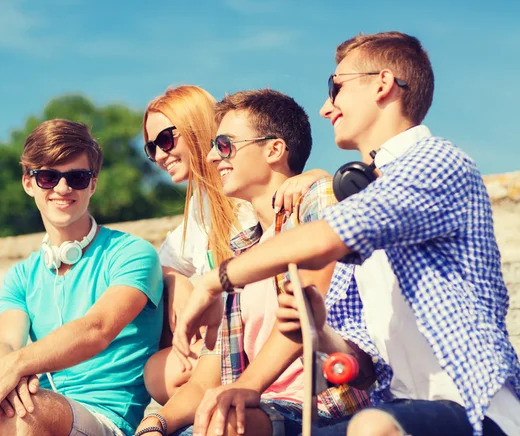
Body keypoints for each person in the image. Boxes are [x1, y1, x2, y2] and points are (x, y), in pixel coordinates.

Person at [173, 32, 520, 436]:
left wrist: (213, 282)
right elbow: (363, 368)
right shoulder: (368, 194)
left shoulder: (438, 161)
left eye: (335, 87)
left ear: (383, 83)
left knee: (371, 427)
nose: (325, 108)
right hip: (395, 407)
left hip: (477, 409)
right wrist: (320, 333)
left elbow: (324, 239)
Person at [135, 89, 369, 436]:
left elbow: (306, 311)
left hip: (322, 405)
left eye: (225, 145)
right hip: (255, 405)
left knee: (222, 422)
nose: (213, 157)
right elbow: (205, 382)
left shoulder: (315, 199)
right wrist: (155, 424)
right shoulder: (240, 254)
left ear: (274, 149)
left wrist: (244, 388)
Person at [0, 119, 163, 436]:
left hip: (105, 422)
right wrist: (5, 372)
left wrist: (17, 367)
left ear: (93, 184)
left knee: (26, 410)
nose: (63, 188)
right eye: (48, 177)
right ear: (29, 183)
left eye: (77, 177)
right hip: (26, 411)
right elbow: (4, 341)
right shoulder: (21, 275)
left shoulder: (132, 253)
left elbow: (97, 329)